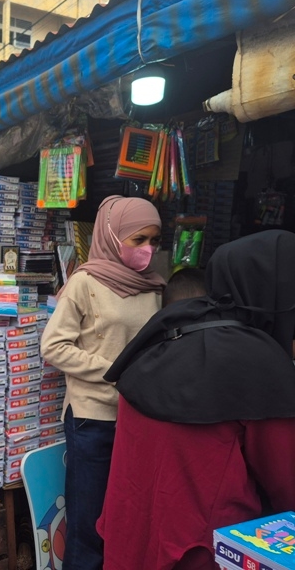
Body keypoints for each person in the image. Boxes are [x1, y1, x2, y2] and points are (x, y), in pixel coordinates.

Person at [98, 230, 295, 569]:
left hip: (130, 538)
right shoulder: (258, 364)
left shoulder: (164, 331)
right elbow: (286, 481)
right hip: (202, 551)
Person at [39, 195, 165, 570]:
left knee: (127, 518)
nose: (147, 250)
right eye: (138, 239)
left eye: (154, 241)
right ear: (112, 235)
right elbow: (54, 346)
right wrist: (113, 369)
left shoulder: (153, 287)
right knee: (88, 523)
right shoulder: (85, 282)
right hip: (93, 418)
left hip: (139, 415)